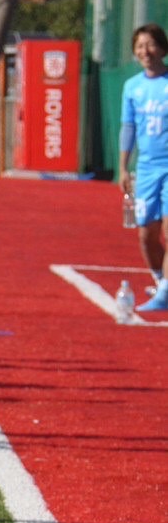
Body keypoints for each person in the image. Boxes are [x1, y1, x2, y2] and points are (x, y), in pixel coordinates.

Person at [119, 22, 168, 311]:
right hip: (147, 169)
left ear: (162, 48)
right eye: (139, 46)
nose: (145, 51)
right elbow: (128, 127)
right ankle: (161, 281)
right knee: (146, 235)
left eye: (150, 45)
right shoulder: (132, 87)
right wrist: (123, 167)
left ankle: (164, 295)